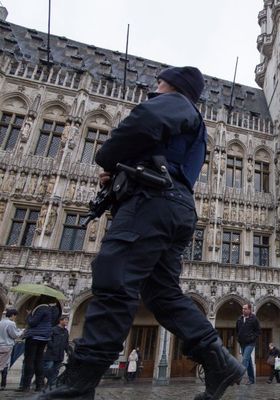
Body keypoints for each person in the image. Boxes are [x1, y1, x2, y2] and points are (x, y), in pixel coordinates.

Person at [34, 66, 245, 400]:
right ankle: (218, 361)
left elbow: (143, 122)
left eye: (158, 84)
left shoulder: (175, 102)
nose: (154, 89)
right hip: (175, 207)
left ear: (172, 85)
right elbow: (161, 153)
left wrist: (107, 156)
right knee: (163, 295)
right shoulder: (192, 122)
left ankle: (77, 384)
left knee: (115, 281)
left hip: (152, 204)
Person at [18, 296, 59, 392]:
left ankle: (26, 386)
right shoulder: (52, 310)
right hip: (45, 337)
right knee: (39, 360)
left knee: (29, 361)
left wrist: (29, 315)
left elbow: (32, 323)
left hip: (34, 336)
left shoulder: (41, 308)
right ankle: (39, 386)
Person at [42, 316, 71, 390]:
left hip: (60, 354)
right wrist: (52, 346)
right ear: (60, 321)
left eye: (67, 321)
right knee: (48, 368)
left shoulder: (66, 331)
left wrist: (68, 351)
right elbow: (48, 339)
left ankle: (50, 385)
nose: (67, 322)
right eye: (65, 320)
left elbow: (66, 343)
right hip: (51, 353)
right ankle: (41, 379)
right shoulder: (53, 329)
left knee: (56, 370)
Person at [236, 304, 260, 385]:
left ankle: (239, 376)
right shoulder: (239, 319)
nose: (243, 310)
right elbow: (237, 330)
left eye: (245, 309)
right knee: (249, 362)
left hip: (250, 343)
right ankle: (251, 380)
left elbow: (258, 331)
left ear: (250, 310)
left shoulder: (254, 319)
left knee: (245, 359)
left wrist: (252, 338)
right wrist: (238, 339)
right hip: (242, 343)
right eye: (243, 309)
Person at [0, 308, 24, 390]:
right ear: (13, 315)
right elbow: (14, 335)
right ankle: (2, 385)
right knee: (4, 365)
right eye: (15, 316)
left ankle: (2, 384)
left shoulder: (1, 321)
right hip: (6, 346)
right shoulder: (11, 323)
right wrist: (22, 331)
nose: (15, 318)